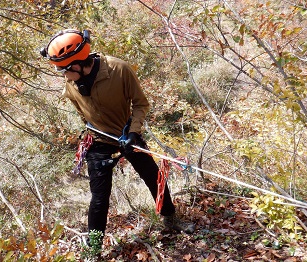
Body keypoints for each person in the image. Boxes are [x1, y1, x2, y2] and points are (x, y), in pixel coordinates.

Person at [40, 29, 195, 241]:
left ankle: (170, 218)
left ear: (77, 64)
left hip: (127, 134)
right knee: (99, 198)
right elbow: (82, 113)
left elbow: (141, 104)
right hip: (99, 140)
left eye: (63, 70)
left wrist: (133, 132)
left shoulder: (118, 69)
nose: (63, 76)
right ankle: (94, 247)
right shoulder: (71, 85)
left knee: (153, 177)